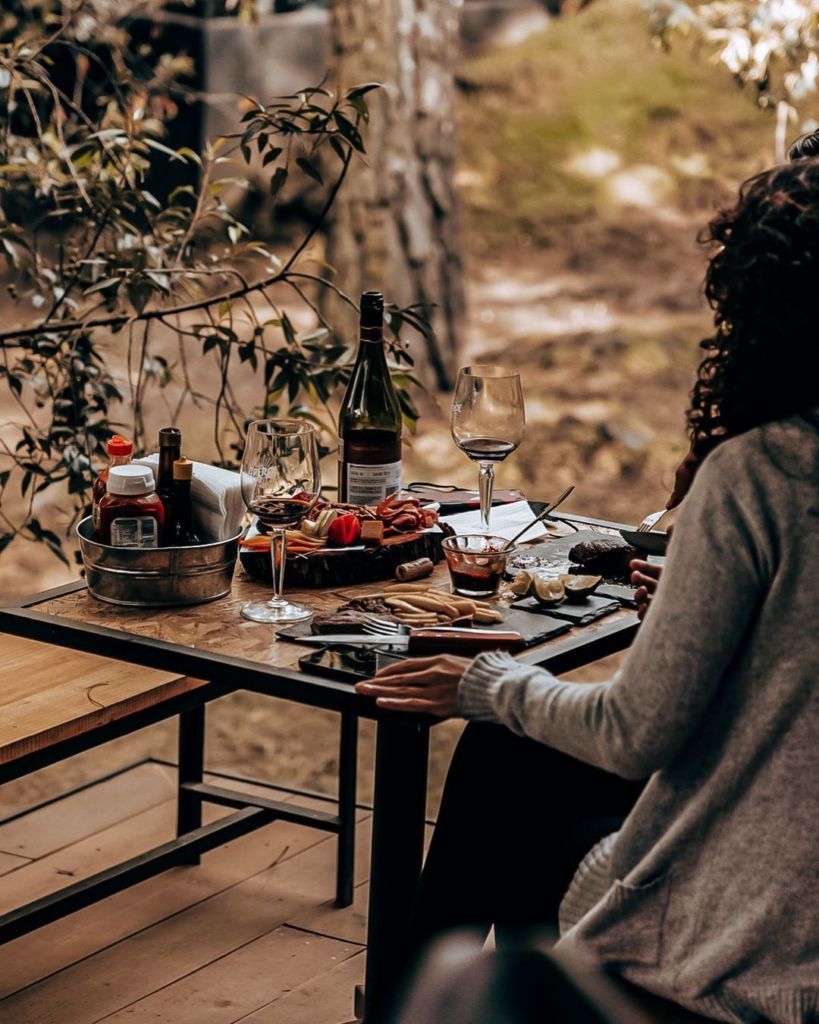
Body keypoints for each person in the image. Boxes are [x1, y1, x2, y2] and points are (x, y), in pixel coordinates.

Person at [357, 158, 819, 1024]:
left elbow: (634, 733)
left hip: (755, 935)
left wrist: (478, 682)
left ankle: (436, 1007)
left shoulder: (767, 474)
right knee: (511, 757)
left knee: (503, 772)